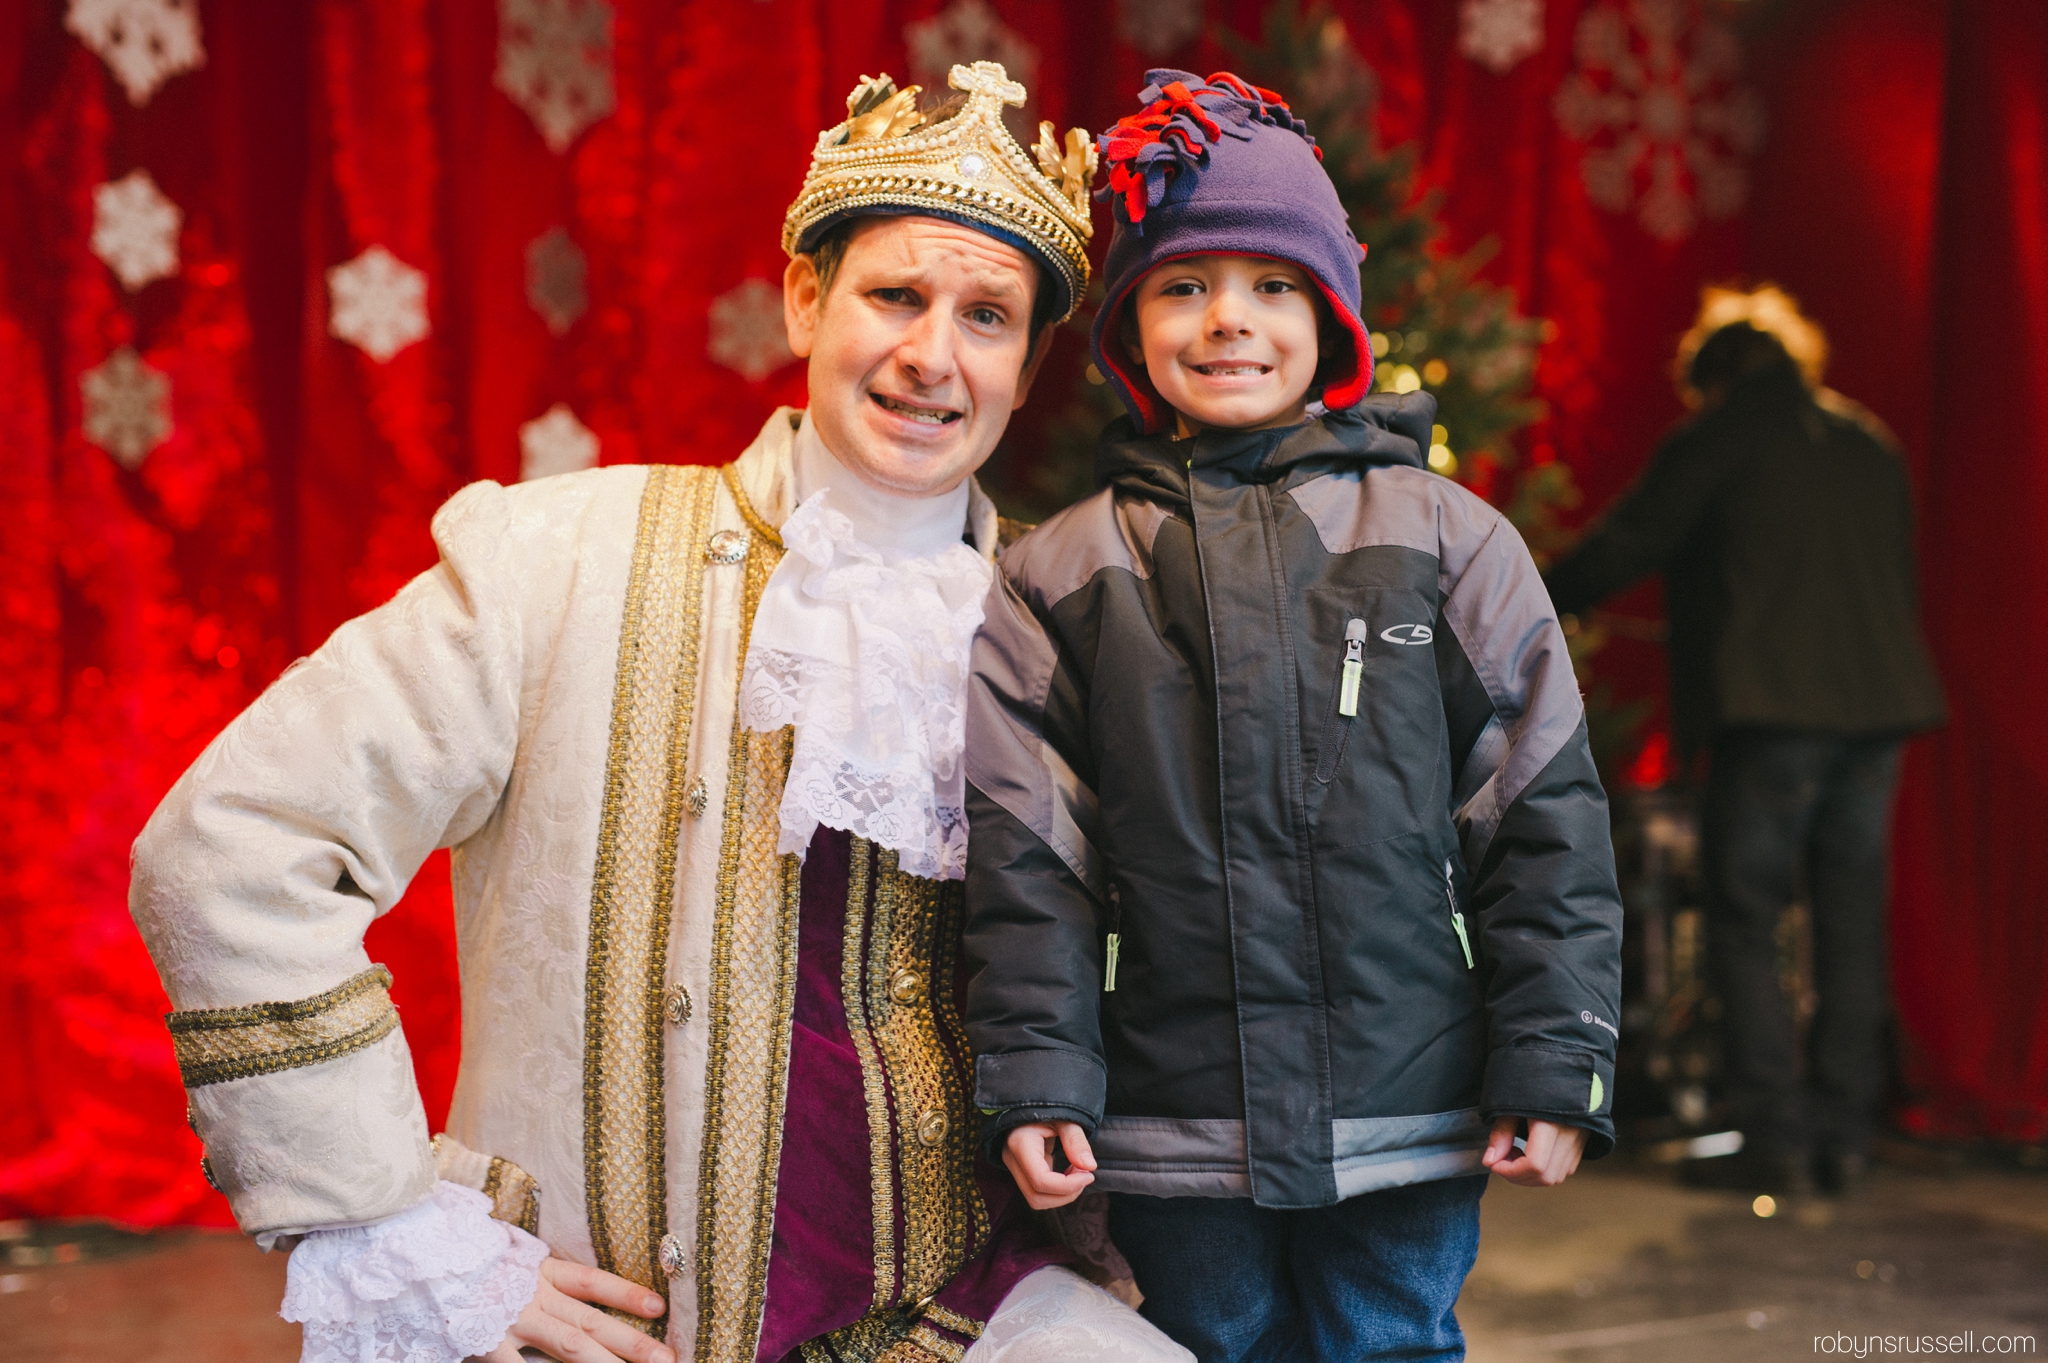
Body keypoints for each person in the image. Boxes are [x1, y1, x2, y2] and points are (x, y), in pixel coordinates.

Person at [129, 63, 1190, 1363]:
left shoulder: (1074, 629)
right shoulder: (557, 559)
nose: (932, 355)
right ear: (807, 298)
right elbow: (231, 842)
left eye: (987, 317)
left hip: (961, 1310)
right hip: (613, 1327)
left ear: (1028, 369)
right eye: (896, 295)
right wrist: (389, 1221)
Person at [960, 71, 1623, 1362]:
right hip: (1172, 1121)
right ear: (1128, 325)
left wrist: (1555, 1059)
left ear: (1333, 318)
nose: (1229, 322)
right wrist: (1037, 1075)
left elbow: (1542, 816)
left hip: (1410, 1104)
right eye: (1181, 285)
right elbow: (1029, 860)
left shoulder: (1446, 539)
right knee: (1206, 1341)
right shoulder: (1062, 573)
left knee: (1388, 1339)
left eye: (1272, 285)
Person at [1544, 286, 1946, 1195]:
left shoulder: (1719, 435)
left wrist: (1535, 597)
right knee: (1850, 926)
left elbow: (1629, 540)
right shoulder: (1866, 441)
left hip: (1772, 716)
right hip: (1877, 714)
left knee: (1744, 919)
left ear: (1713, 375)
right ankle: (1842, 1139)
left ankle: (1773, 1144)